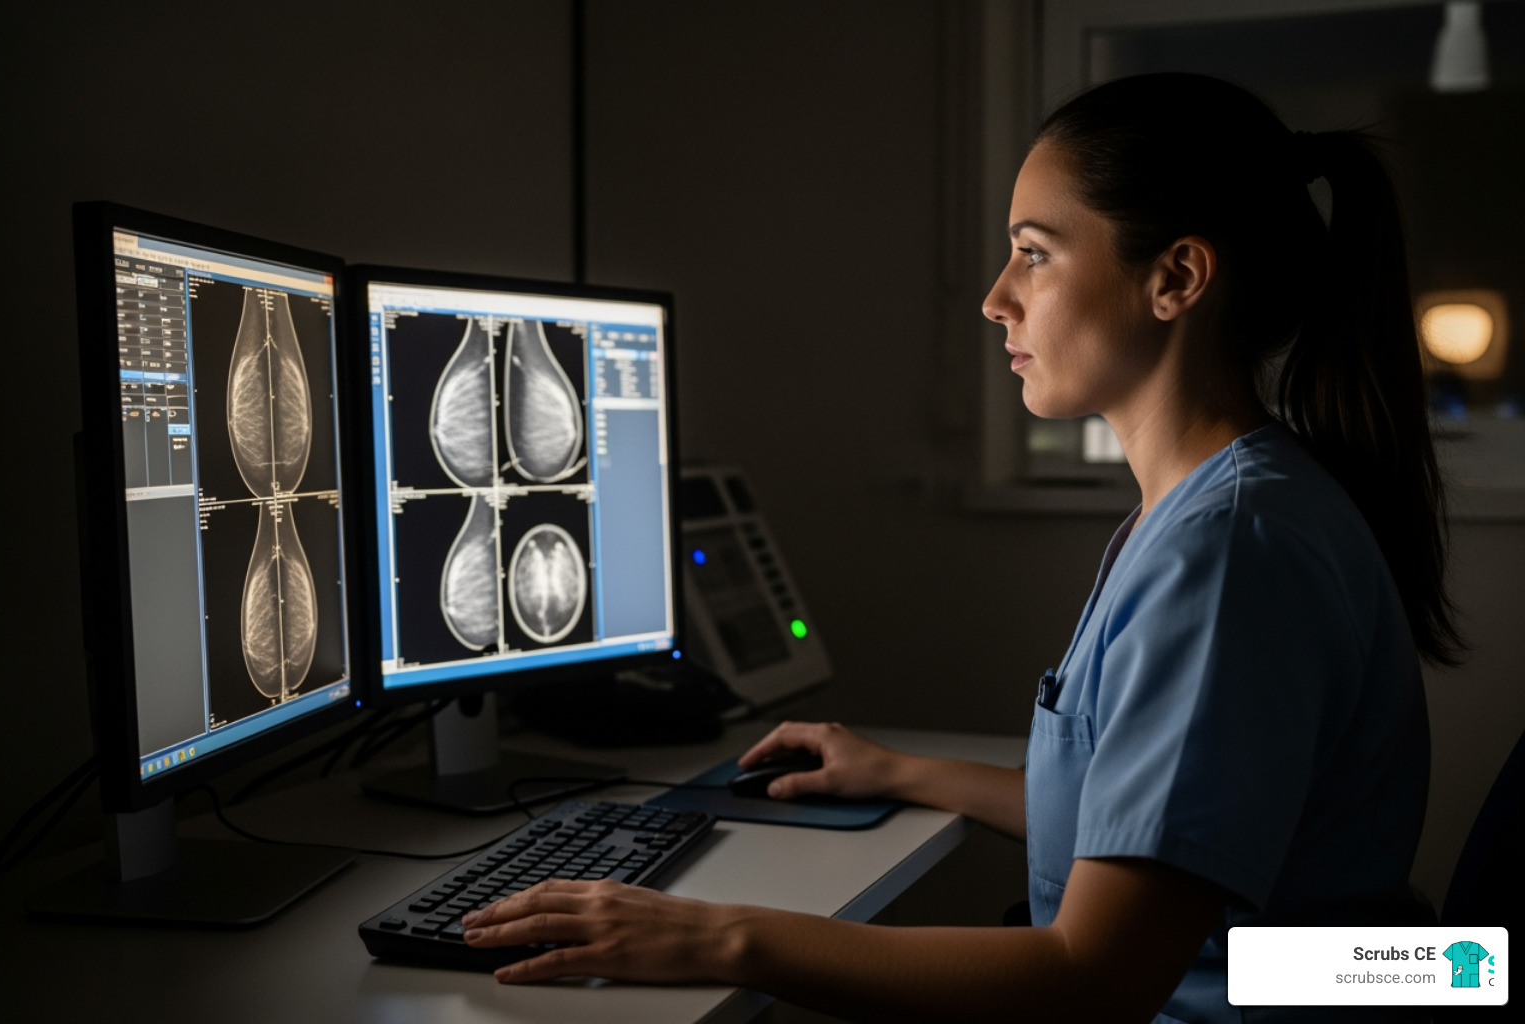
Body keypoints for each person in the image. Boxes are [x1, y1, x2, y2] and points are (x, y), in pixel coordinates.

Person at [460, 73, 1459, 1023]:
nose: (995, 298)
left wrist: (718, 937)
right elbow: (1145, 831)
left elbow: (1092, 980)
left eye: (1034, 252)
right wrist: (900, 771)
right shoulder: (1218, 507)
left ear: (1177, 278)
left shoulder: (1228, 548)